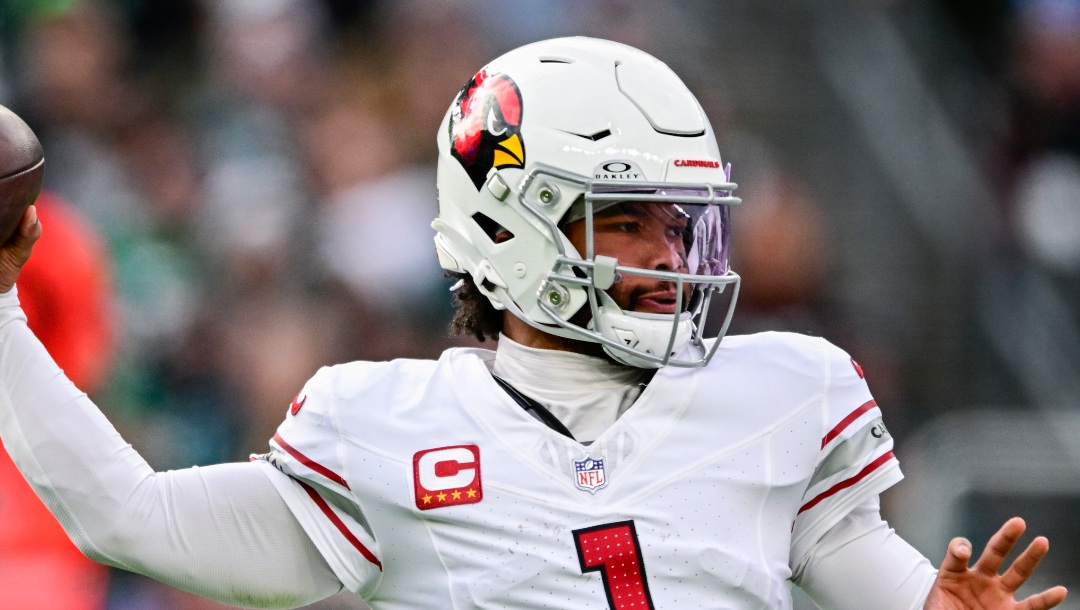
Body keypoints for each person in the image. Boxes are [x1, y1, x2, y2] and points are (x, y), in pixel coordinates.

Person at [0, 36, 1068, 610]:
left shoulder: (784, 393)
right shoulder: (382, 425)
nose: (668, 255)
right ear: (511, 223)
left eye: (682, 223)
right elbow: (125, 515)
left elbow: (865, 566)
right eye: (629, 223)